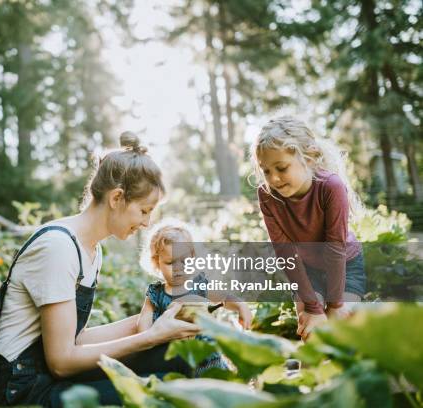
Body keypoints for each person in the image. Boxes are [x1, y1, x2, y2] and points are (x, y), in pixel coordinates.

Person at [0, 132, 200, 407]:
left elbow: (75, 338)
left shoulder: (90, 249)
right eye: (144, 211)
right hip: (24, 391)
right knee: (166, 389)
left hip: (49, 375)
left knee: (185, 357)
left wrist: (153, 320)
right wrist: (149, 337)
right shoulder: (58, 247)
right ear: (117, 198)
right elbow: (61, 361)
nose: (147, 223)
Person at [250, 116, 366, 341]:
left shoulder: (331, 187)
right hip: (307, 271)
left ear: (310, 158)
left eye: (281, 168)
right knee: (311, 331)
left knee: (339, 332)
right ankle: (308, 376)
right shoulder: (267, 195)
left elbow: (335, 249)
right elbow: (285, 252)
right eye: (266, 171)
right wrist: (312, 308)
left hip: (346, 266)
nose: (273, 178)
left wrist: (335, 304)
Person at [136, 219, 252, 375]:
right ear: (157, 263)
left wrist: (240, 306)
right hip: (174, 359)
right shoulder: (155, 293)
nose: (179, 268)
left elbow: (223, 297)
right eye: (170, 263)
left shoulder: (199, 284)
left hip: (207, 357)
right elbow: (143, 329)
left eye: (184, 261)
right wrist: (149, 339)